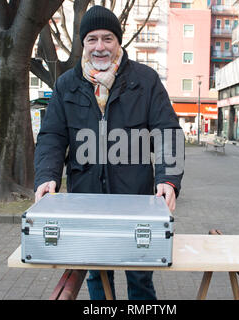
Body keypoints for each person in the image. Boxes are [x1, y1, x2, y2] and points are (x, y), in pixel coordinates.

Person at [34, 5, 184, 300]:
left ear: (118, 42)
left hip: (137, 199)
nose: (99, 47)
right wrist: (47, 176)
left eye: (107, 38)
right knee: (96, 273)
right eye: (92, 39)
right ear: (83, 43)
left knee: (140, 274)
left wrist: (168, 180)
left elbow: (168, 131)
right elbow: (52, 135)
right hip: (86, 198)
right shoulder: (67, 84)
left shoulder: (145, 80)